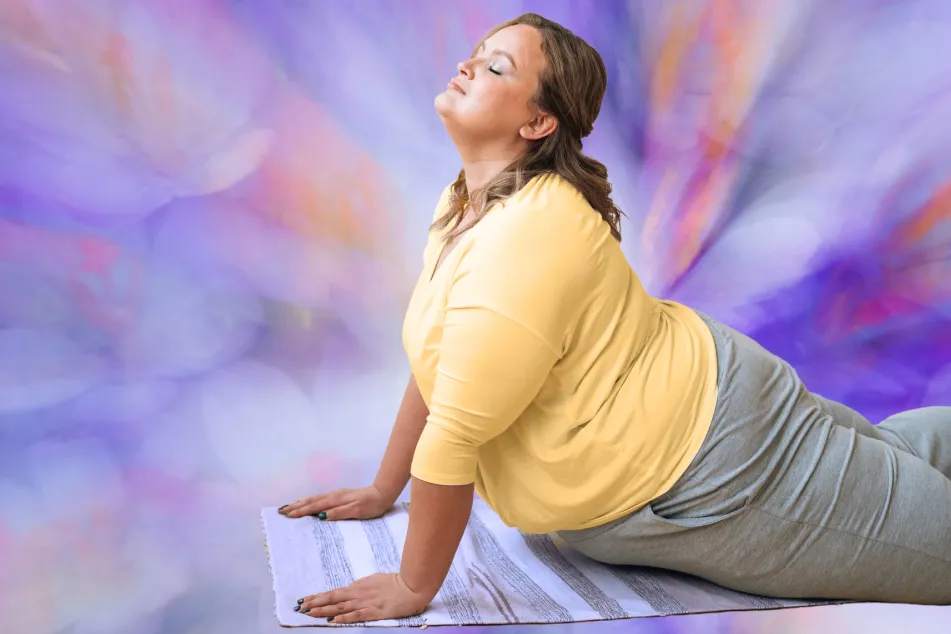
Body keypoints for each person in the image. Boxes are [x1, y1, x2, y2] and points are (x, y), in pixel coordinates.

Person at [278, 13, 951, 623]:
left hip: (717, 471)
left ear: (538, 123)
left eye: (495, 67)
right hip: (709, 415)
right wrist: (383, 487)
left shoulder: (524, 240)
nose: (466, 66)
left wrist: (411, 587)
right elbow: (439, 366)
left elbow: (452, 437)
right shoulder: (466, 203)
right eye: (477, 55)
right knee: (903, 463)